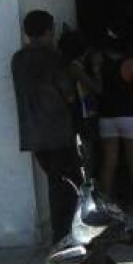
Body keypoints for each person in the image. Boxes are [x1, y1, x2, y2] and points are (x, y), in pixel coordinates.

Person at [10, 10, 81, 242]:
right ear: (49, 31)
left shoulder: (17, 59)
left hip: (33, 133)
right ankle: (64, 235)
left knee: (55, 182)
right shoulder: (55, 58)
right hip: (59, 131)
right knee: (66, 186)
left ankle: (61, 233)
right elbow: (69, 94)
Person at [96, 26, 133, 216]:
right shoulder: (132, 64)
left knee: (108, 162)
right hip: (130, 116)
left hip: (106, 117)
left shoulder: (100, 63)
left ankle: (106, 205)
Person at [58, 26, 101, 178]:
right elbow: (97, 88)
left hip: (75, 115)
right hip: (82, 115)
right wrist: (96, 68)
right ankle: (89, 190)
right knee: (87, 155)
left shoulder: (65, 65)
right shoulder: (75, 67)